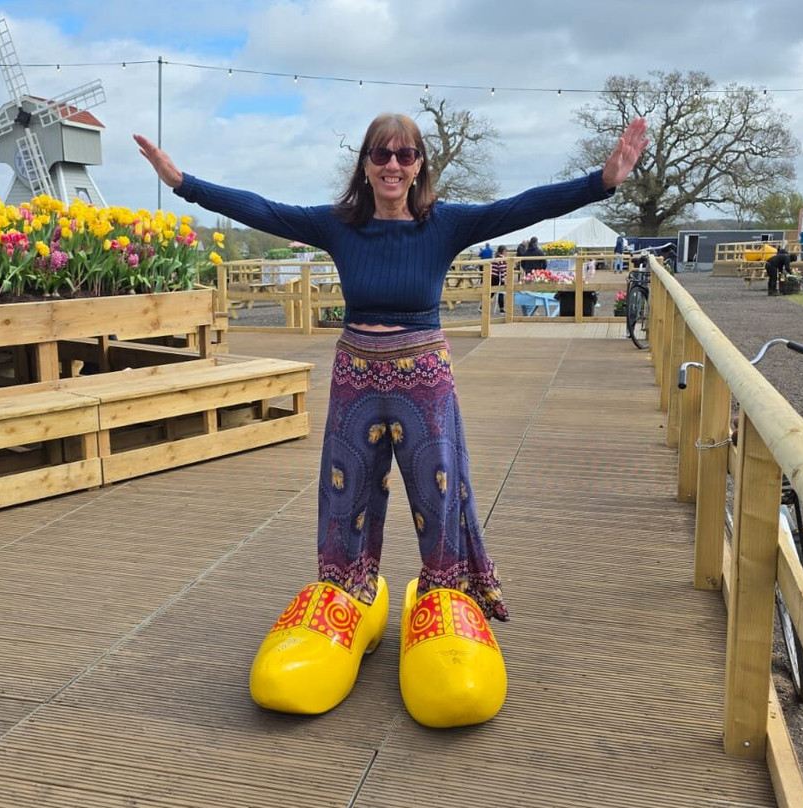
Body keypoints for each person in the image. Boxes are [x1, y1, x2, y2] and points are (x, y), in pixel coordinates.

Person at [133, 114, 648, 727]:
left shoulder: (444, 223)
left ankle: (442, 590)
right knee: (343, 488)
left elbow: (522, 206)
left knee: (437, 487)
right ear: (366, 163)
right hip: (355, 376)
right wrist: (182, 182)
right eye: (382, 154)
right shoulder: (340, 225)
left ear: (420, 163)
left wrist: (603, 182)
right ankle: (348, 592)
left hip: (424, 379)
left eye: (405, 155)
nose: (394, 166)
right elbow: (262, 209)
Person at [489, 244, 508, 312]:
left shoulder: (496, 258)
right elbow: (502, 270)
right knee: (501, 292)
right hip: (498, 277)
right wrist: (504, 279)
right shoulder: (501, 259)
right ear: (503, 251)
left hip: (493, 276)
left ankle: (482, 306)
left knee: (491, 292)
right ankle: (501, 308)